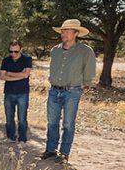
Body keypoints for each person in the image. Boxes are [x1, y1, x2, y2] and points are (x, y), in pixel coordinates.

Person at [41, 19, 96, 162]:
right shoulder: (55, 50)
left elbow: (89, 72)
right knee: (52, 122)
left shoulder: (85, 51)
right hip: (54, 91)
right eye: (62, 31)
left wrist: (82, 85)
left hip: (72, 91)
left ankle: (64, 153)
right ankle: (50, 150)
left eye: (67, 31)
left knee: (68, 123)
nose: (63, 33)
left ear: (76, 33)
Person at [0, 40, 32, 142]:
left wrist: (10, 73)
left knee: (22, 119)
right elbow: (2, 76)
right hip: (8, 93)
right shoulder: (6, 60)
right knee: (9, 119)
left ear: (21, 49)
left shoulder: (27, 59)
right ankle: (10, 137)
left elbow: (26, 75)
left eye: (16, 51)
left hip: (22, 93)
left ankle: (22, 139)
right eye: (11, 51)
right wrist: (19, 75)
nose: (13, 54)